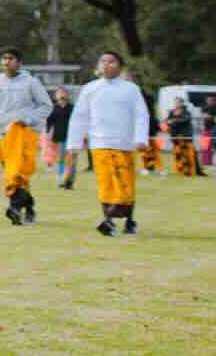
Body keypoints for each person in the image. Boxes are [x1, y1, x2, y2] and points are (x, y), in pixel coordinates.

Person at [66, 49, 152, 236]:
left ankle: (129, 221)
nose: (106, 64)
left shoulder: (131, 89)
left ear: (119, 66)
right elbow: (80, 117)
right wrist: (74, 143)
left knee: (124, 183)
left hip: (124, 143)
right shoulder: (90, 89)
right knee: (106, 182)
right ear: (98, 67)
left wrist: (141, 139)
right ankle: (109, 220)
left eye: (111, 61)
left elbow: (141, 115)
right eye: (103, 61)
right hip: (99, 143)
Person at [0, 48, 53, 226]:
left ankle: (15, 208)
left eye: (10, 58)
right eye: (3, 59)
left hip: (25, 133)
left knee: (18, 172)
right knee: (13, 175)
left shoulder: (31, 82)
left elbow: (46, 106)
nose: (6, 62)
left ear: (18, 62)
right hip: (3, 135)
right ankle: (29, 207)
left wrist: (27, 120)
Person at [47, 87, 76, 189]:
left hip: (71, 137)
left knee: (71, 159)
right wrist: (47, 133)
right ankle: (61, 179)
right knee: (61, 161)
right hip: (59, 138)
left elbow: (78, 122)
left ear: (67, 95)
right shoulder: (54, 108)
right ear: (56, 96)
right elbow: (49, 121)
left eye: (64, 93)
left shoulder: (72, 108)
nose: (62, 96)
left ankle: (69, 180)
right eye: (59, 94)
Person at [165, 98, 202, 178]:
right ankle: (181, 170)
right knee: (179, 154)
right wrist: (168, 122)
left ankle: (192, 171)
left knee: (189, 154)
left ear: (182, 103)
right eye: (175, 102)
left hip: (185, 136)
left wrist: (173, 121)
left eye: (178, 103)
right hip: (175, 137)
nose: (176, 104)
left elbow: (185, 120)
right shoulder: (172, 112)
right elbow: (167, 121)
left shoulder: (186, 112)